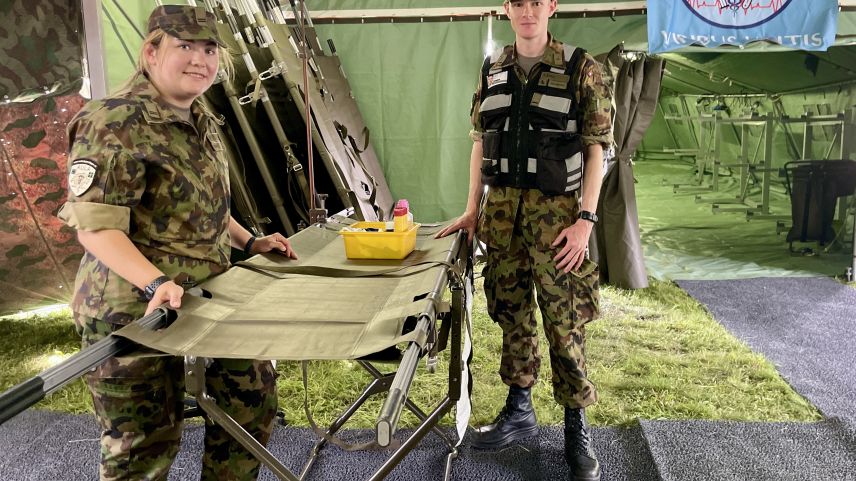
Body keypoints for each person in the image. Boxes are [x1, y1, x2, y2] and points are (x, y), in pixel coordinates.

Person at [57, 5, 297, 480]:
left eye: (210, 50)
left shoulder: (200, 116)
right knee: (143, 448)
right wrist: (155, 283)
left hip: (207, 296)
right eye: (185, 46)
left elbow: (205, 203)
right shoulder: (111, 121)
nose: (200, 60)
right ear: (152, 50)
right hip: (133, 310)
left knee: (250, 405)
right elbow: (96, 228)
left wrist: (250, 242)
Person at [437, 1, 613, 480]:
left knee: (564, 323)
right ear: (507, 9)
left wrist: (586, 221)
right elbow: (479, 141)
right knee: (511, 317)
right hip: (502, 222)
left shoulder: (581, 67)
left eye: (537, 2)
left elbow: (598, 150)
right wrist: (472, 209)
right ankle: (520, 412)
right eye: (519, 3)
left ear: (551, 6)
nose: (528, 11)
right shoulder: (493, 69)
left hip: (559, 224)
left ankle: (576, 426)